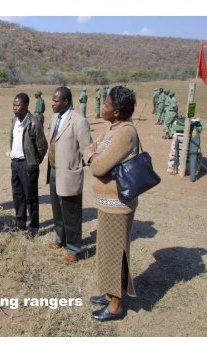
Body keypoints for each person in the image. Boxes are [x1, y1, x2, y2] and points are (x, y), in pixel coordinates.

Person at [83, 85, 138, 321]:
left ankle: (116, 305)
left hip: (118, 204)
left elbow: (98, 166)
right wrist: (93, 155)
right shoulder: (112, 128)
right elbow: (90, 149)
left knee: (117, 254)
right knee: (106, 251)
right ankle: (109, 293)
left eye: (106, 105)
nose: (102, 108)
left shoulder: (126, 132)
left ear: (116, 112)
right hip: (106, 202)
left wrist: (93, 158)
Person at [46, 87, 92, 263]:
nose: (53, 103)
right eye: (53, 100)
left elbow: (87, 149)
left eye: (56, 101)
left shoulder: (79, 121)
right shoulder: (55, 117)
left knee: (71, 213)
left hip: (69, 174)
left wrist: (92, 165)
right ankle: (60, 240)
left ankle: (74, 249)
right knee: (57, 210)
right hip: (53, 171)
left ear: (66, 102)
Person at [9, 93, 48, 236]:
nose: (15, 107)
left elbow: (42, 147)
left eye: (18, 105)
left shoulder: (34, 123)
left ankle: (33, 227)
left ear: (26, 105)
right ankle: (20, 222)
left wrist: (34, 162)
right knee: (18, 194)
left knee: (31, 197)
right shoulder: (14, 121)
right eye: (14, 104)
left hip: (28, 165)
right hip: (15, 163)